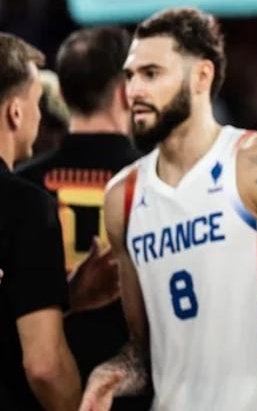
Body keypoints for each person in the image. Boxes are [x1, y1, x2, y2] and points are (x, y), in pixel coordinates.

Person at [79, 7, 257, 411]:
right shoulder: (122, 197)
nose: (134, 91)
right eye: (129, 76)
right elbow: (146, 352)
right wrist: (112, 372)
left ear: (202, 76)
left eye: (151, 74)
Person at [17, 26, 150, 410]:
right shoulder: (157, 182)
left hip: (38, 392)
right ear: (126, 91)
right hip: (134, 392)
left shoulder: (21, 187)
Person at [0, 33, 81, 410]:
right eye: (36, 102)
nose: (39, 114)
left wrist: (70, 296)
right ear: (14, 112)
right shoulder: (26, 206)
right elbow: (45, 366)